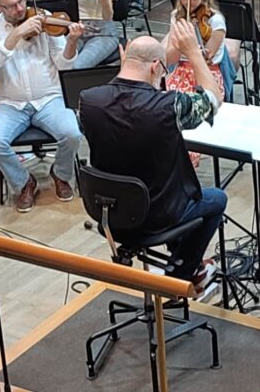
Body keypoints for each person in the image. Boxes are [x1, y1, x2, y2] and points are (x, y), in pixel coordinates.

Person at [79, 24, 226, 294]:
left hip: (109, 212)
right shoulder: (167, 106)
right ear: (156, 67)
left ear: (124, 59)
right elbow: (213, 100)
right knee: (215, 199)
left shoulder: (88, 101)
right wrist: (193, 53)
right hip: (157, 215)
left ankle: (186, 266)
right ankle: (180, 276)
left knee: (176, 188)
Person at [0, 0, 82, 212]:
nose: (20, 9)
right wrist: (16, 34)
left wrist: (72, 43)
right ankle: (24, 181)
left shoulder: (44, 18)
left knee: (73, 133)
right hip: (9, 103)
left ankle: (61, 173)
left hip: (49, 98)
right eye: (12, 6)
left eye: (20, 2)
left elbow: (64, 65)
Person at [166, 0, 227, 105]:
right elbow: (170, 59)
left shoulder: (215, 20)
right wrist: (180, 42)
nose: (186, 2)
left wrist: (192, 43)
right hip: (180, 71)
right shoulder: (177, 15)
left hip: (207, 73)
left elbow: (206, 59)